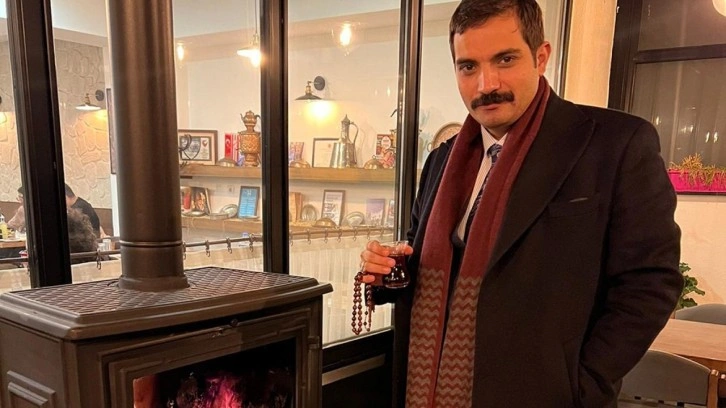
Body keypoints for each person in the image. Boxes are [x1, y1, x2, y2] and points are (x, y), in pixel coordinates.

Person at [358, 1, 682, 407]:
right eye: (468, 66)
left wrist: (582, 382)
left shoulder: (614, 145)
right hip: (425, 390)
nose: (486, 84)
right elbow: (421, 257)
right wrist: (389, 269)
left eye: (505, 59)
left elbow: (651, 282)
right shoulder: (441, 160)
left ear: (541, 57)